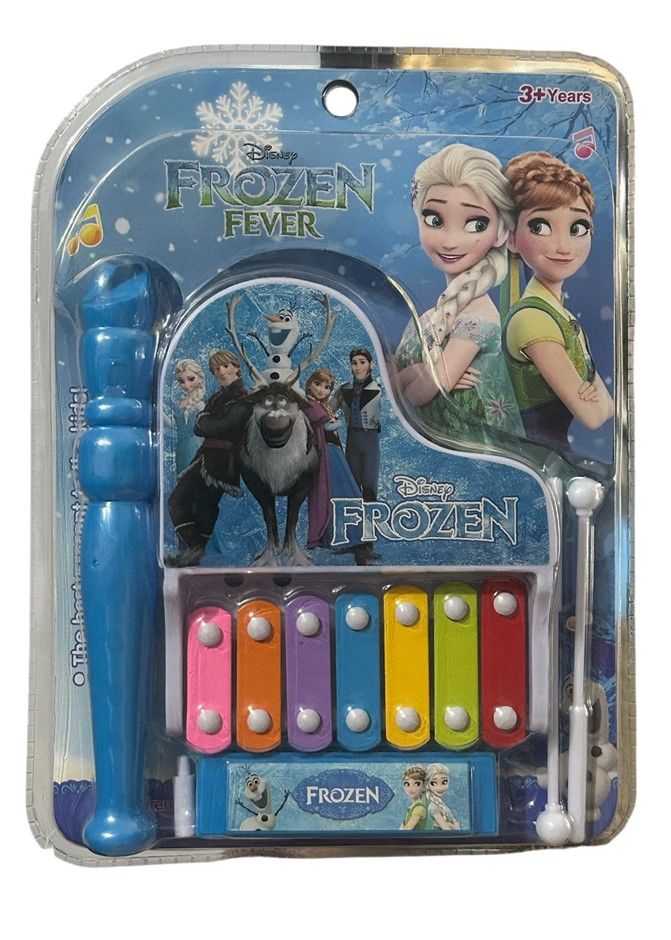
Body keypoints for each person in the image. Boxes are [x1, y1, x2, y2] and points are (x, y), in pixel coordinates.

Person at [395, 142, 523, 442]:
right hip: (434, 445)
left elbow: (418, 394)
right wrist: (419, 370)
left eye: (476, 224)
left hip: (472, 447)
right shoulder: (429, 317)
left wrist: (414, 376)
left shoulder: (478, 319)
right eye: (434, 220)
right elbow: (391, 378)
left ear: (501, 232)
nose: (450, 241)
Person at [502, 151, 614, 452]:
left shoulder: (559, 314)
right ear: (511, 238)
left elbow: (610, 408)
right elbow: (593, 415)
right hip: (537, 457)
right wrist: (592, 395)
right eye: (540, 226)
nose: (564, 246)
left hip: (554, 457)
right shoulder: (533, 319)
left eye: (577, 228)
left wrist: (596, 398)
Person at [165, 349, 248, 567]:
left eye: (225, 366)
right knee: (178, 501)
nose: (221, 372)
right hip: (203, 457)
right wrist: (206, 422)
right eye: (216, 368)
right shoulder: (218, 397)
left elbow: (216, 425)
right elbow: (201, 425)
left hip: (223, 462)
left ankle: (195, 552)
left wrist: (207, 422)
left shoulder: (241, 398)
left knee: (203, 506)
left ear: (236, 368)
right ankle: (195, 549)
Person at [304, 368, 374, 564]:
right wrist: (333, 423)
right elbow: (325, 425)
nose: (321, 390)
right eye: (317, 384)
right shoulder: (309, 406)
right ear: (309, 384)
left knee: (348, 495)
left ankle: (358, 541)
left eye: (327, 387)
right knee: (337, 496)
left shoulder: (322, 405)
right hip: (326, 455)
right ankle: (347, 540)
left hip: (333, 453)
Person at [334, 349, 382, 503]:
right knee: (352, 485)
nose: (358, 367)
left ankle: (371, 514)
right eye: (354, 363)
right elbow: (328, 410)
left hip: (370, 440)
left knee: (369, 485)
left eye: (362, 362)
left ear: (371, 364)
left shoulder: (379, 389)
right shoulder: (343, 390)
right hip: (352, 440)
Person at [169, 358, 206, 473]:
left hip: (196, 448)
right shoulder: (181, 403)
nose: (186, 385)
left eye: (191, 379)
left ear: (200, 379)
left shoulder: (200, 405)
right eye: (181, 381)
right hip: (182, 449)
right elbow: (172, 423)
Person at [425, 763, 460, 831]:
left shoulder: (440, 804)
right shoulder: (433, 807)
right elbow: (446, 829)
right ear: (427, 784)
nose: (440, 788)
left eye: (444, 782)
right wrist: (452, 825)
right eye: (433, 783)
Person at [399, 765, 429, 831]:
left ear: (424, 786)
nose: (411, 788)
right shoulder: (412, 807)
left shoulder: (419, 808)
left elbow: (407, 829)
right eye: (407, 784)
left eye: (417, 784)